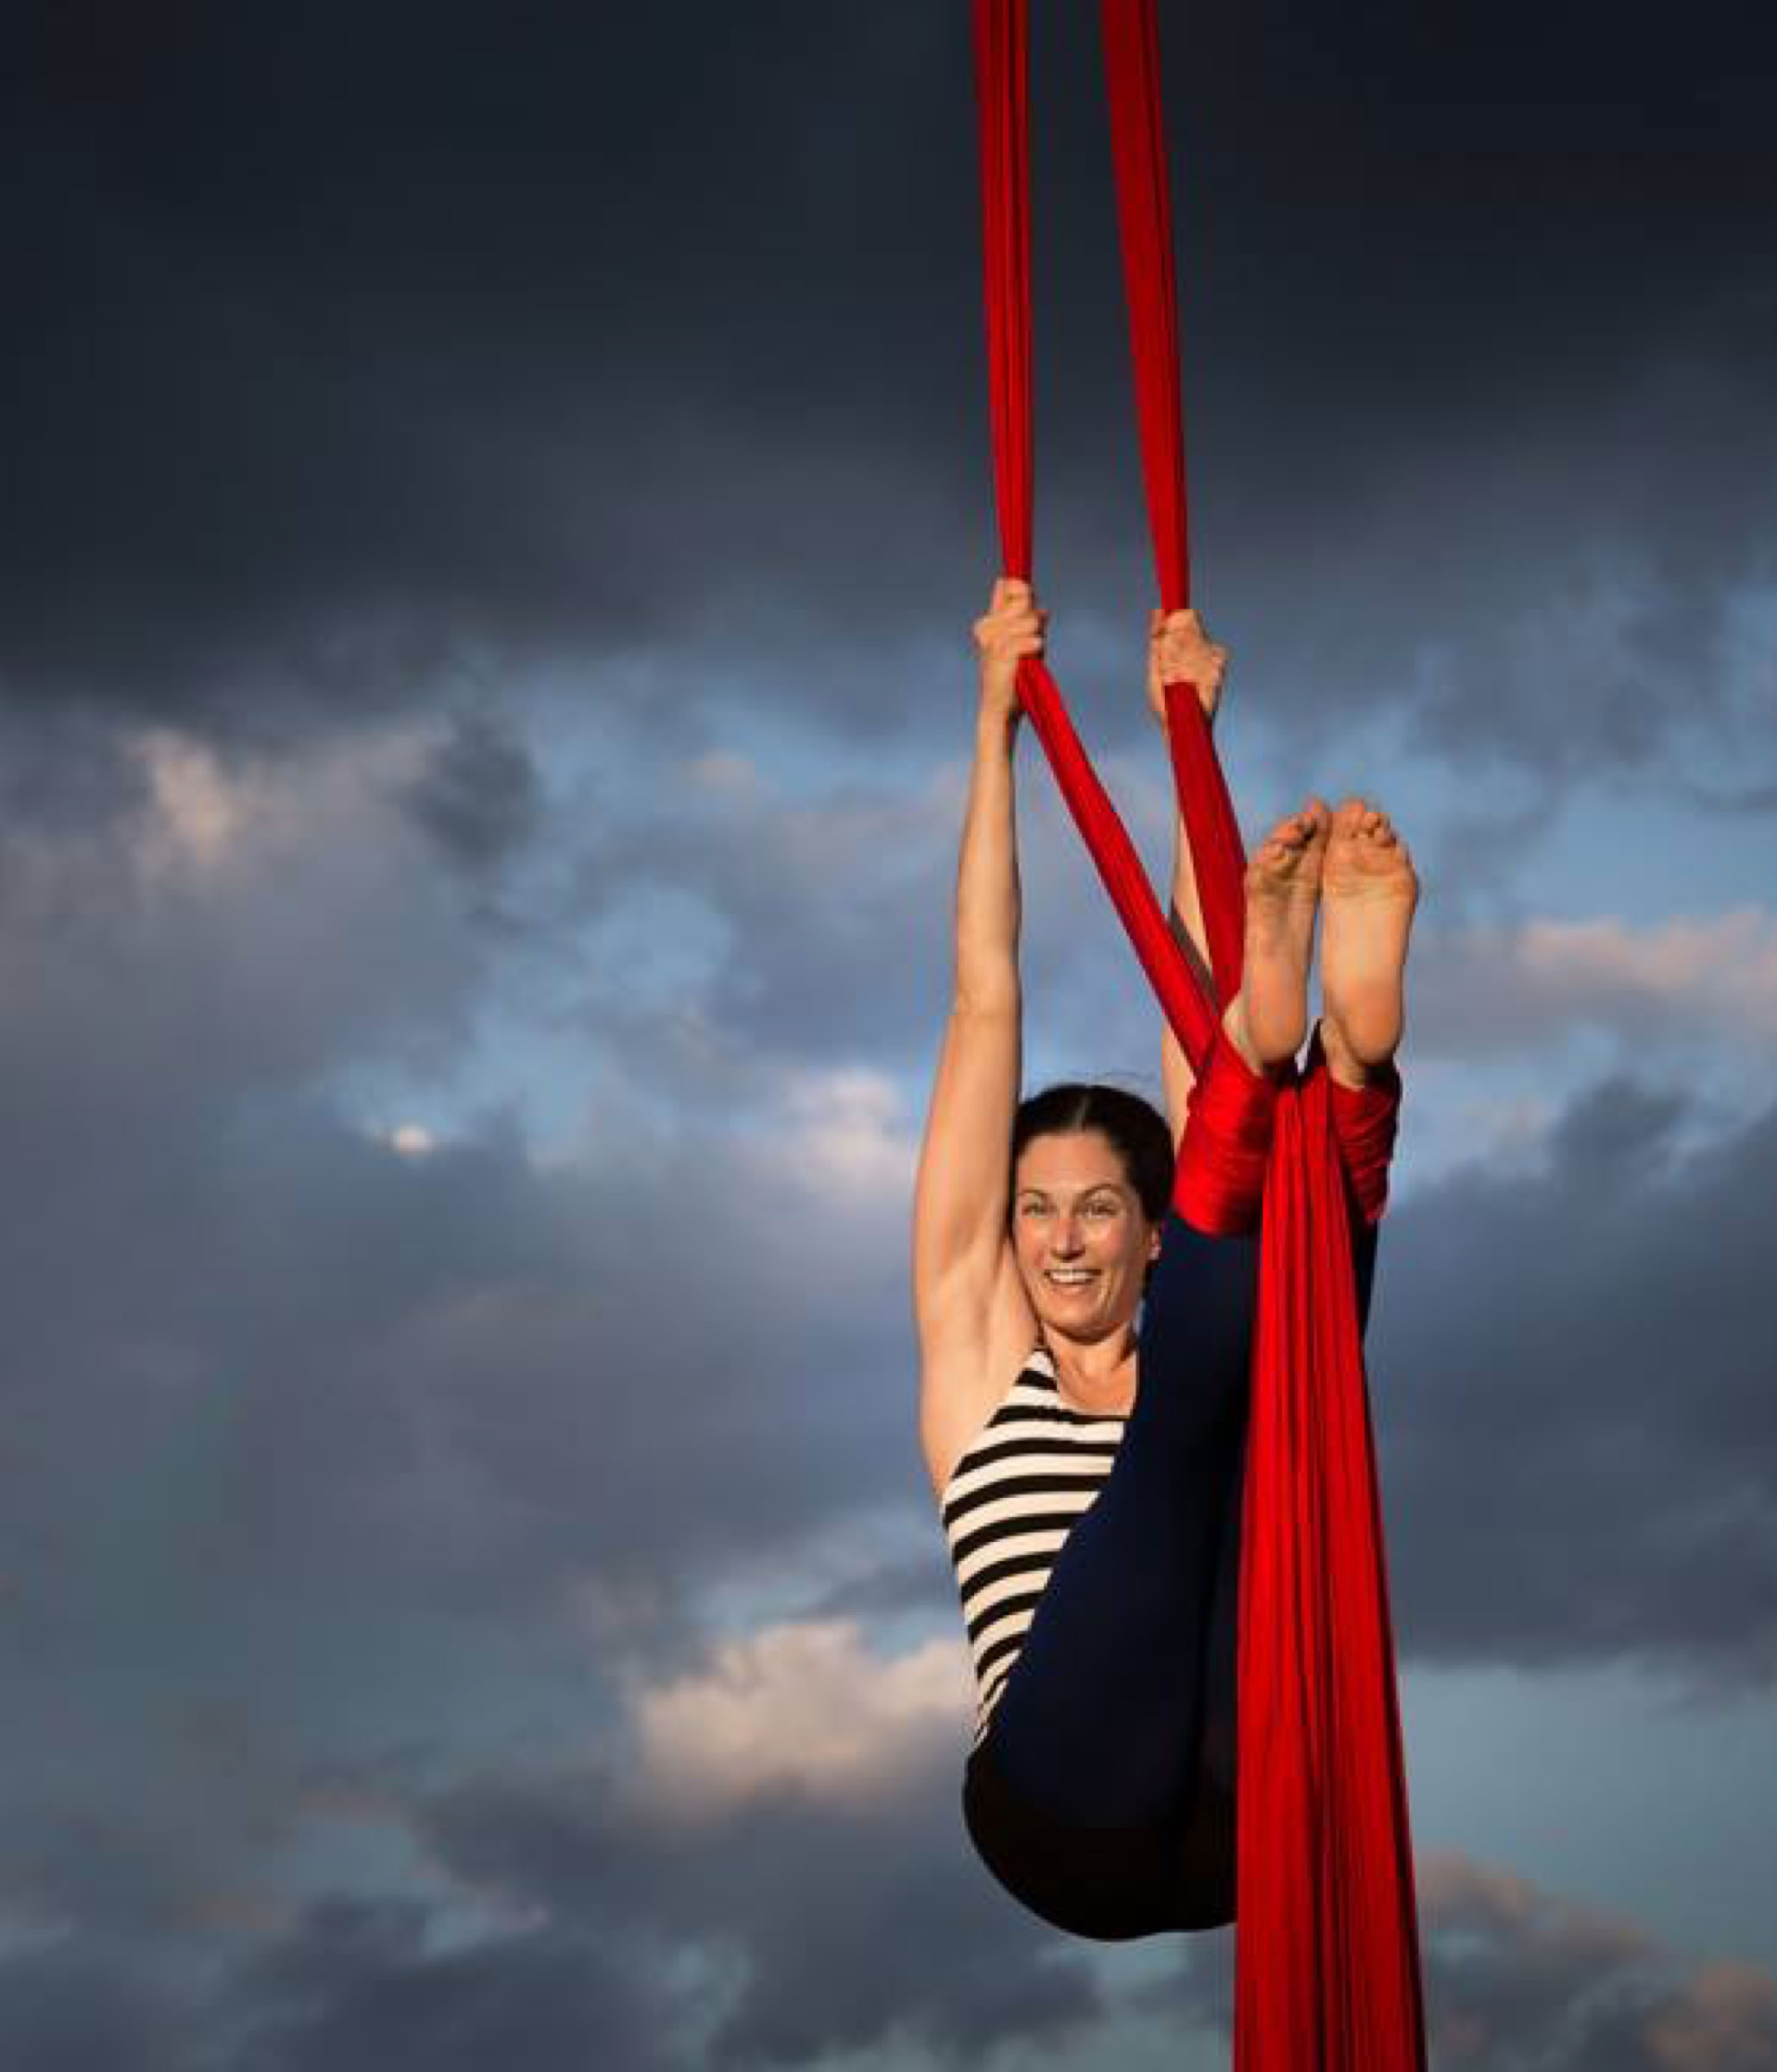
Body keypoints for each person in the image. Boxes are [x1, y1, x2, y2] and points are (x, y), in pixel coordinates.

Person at [912, 578, 1419, 1939]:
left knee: (1263, 1362)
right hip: (1058, 1805)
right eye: (1036, 1210)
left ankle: (1314, 1067)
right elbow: (982, 991)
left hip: (1233, 1803)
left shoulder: (1185, 1304)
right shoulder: (977, 1365)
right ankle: (1344, 1092)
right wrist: (993, 725)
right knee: (1204, 1413)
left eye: (1096, 1210)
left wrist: (1190, 735)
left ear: (1147, 1230)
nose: (1062, 1241)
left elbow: (1186, 1070)